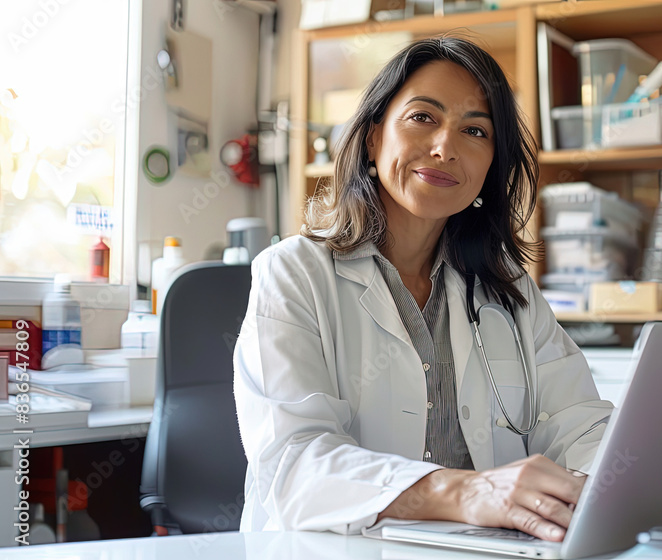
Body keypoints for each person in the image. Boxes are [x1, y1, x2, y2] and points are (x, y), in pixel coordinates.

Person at [233, 36, 613, 542]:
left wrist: (612, 483)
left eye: (474, 130)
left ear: (489, 167)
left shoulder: (507, 292)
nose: (445, 148)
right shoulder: (294, 275)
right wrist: (467, 493)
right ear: (372, 138)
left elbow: (580, 426)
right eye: (422, 118)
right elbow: (296, 465)